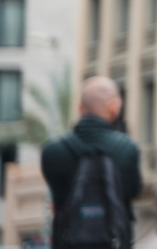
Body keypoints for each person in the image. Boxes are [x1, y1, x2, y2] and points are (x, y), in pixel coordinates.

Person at [40, 76, 141, 248]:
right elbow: (133, 191)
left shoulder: (52, 151)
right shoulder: (128, 149)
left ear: (79, 107)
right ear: (114, 106)